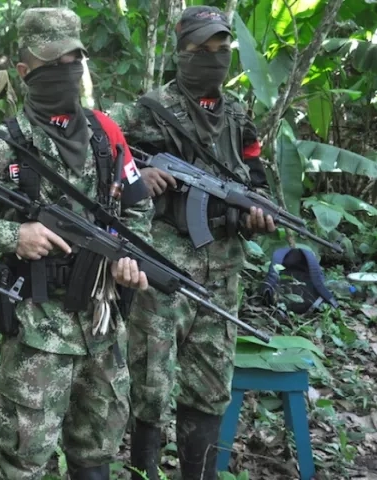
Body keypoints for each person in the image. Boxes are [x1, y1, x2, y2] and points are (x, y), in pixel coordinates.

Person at [0, 7, 153, 480]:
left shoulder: (105, 135)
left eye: (74, 61)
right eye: (52, 64)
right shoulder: (0, 148)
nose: (66, 72)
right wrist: (10, 234)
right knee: (22, 464)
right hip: (37, 332)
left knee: (96, 454)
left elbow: (138, 209)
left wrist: (130, 255)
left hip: (104, 326)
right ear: (24, 72)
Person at [106, 6, 277, 480]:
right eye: (201, 50)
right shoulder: (148, 108)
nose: (212, 59)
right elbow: (99, 141)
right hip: (163, 263)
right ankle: (144, 470)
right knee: (151, 382)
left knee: (210, 383)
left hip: (223, 266)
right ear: (180, 53)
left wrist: (256, 212)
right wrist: (141, 175)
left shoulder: (239, 115)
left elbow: (256, 176)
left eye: (221, 50)